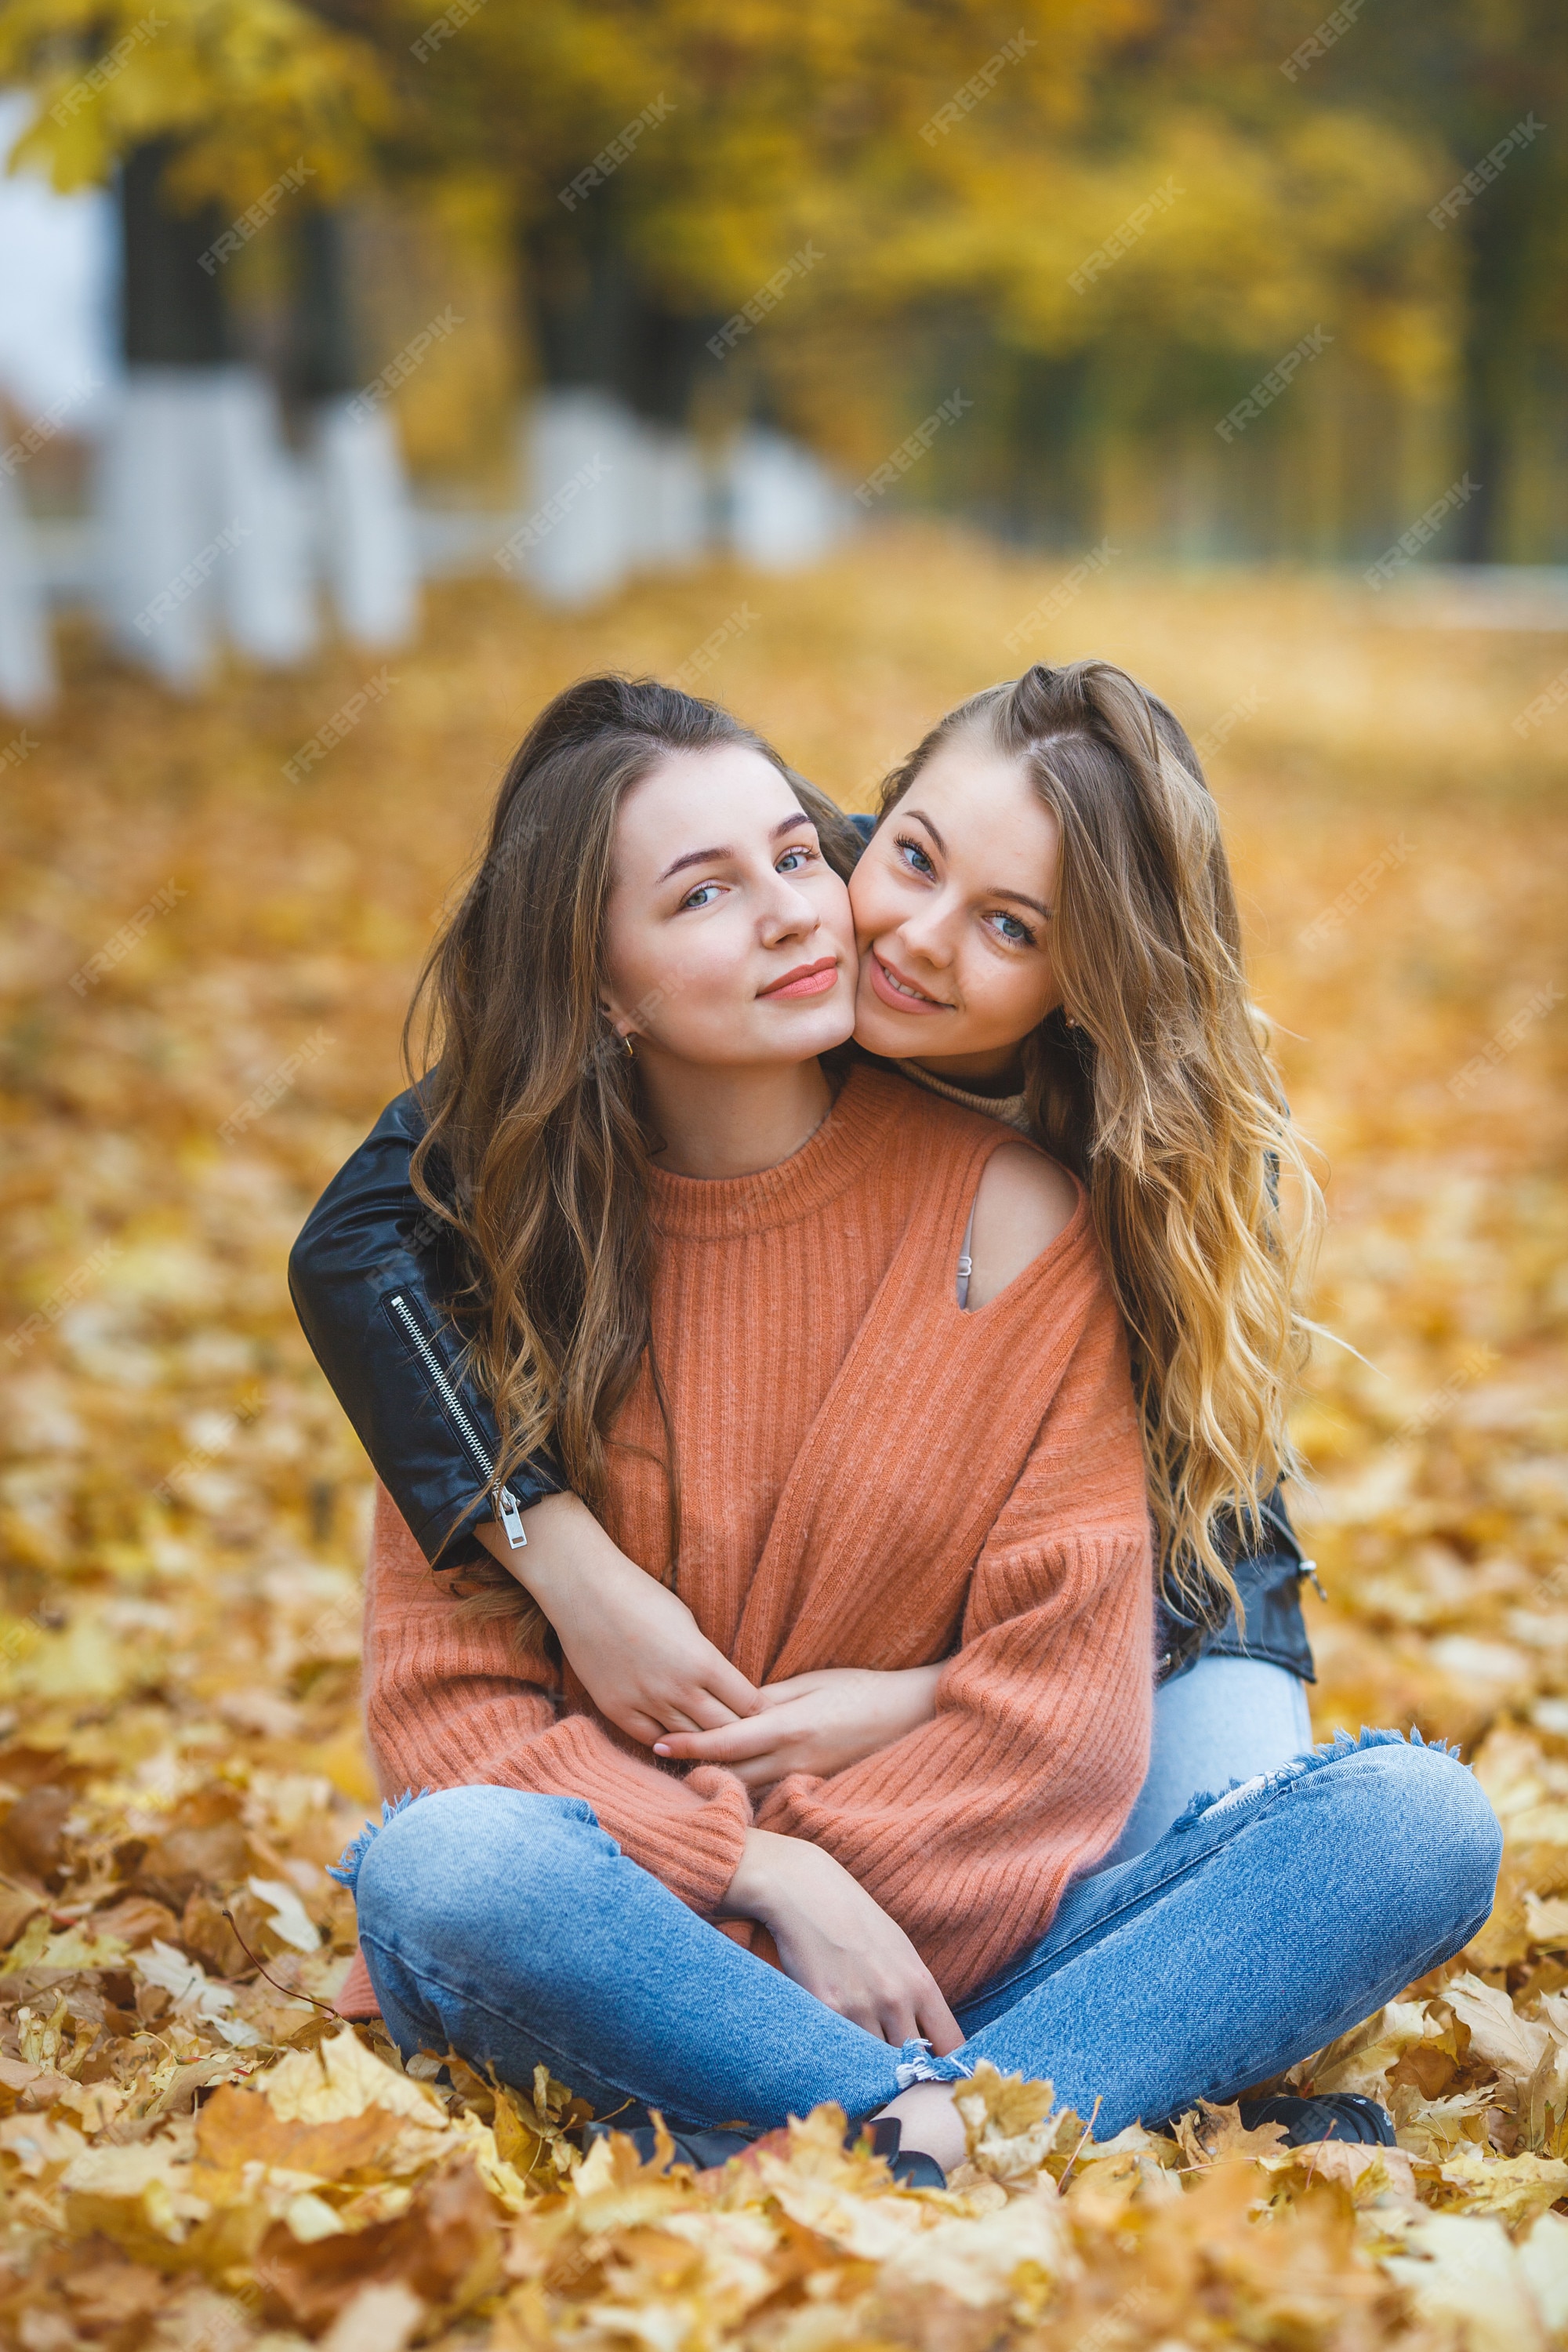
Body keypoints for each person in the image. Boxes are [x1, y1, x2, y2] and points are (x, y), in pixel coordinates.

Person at [306, 676, 1500, 2180]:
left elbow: (1066, 1707)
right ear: (597, 980)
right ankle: (1007, 2106)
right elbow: (451, 1732)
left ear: (1086, 979)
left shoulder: (1048, 1199)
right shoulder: (488, 1249)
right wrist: (768, 1875)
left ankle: (858, 2117)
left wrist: (909, 1758)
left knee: (1410, 1824)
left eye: (793, 861)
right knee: (445, 1867)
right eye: (710, 892)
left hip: (1048, 1805)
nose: (839, 923)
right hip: (650, 1910)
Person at [294, 662, 1318, 1854]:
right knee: (463, 1877)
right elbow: (355, 1240)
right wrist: (565, 1559)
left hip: (1172, 1596)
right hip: (786, 1740)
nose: (914, 939)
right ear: (869, 828)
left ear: (1093, 979)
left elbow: (1118, 1561)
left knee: (1278, 1858)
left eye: (1011, 927)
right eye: (914, 859)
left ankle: (995, 2033)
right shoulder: (800, 914)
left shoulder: (1152, 1139)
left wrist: (928, 1701)